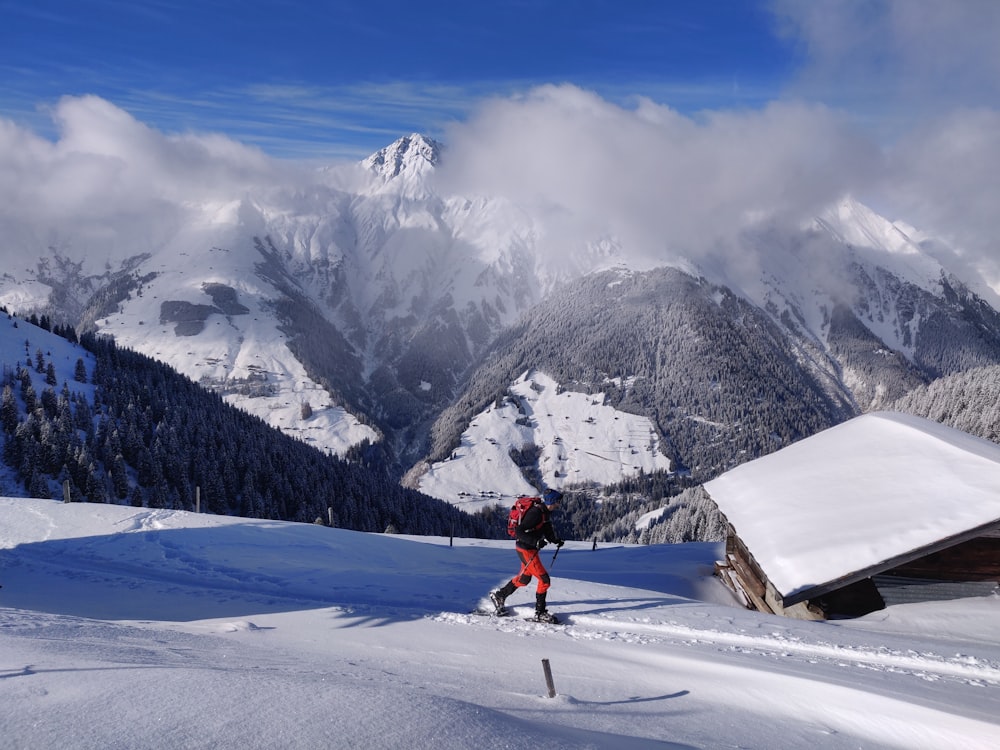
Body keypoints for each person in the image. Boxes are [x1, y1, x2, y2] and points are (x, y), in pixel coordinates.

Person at [490, 489, 565, 623]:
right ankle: (540, 613)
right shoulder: (536, 513)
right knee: (544, 580)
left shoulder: (545, 512)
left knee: (524, 579)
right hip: (526, 550)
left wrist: (555, 540)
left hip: (528, 549)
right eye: (558, 502)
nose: (559, 505)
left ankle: (499, 595)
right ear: (552, 501)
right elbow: (519, 531)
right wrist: (535, 541)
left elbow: (546, 529)